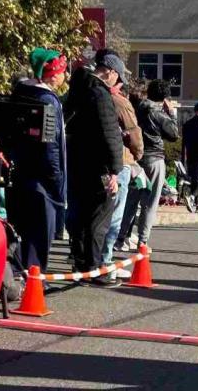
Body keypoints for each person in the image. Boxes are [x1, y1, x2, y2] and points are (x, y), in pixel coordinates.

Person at [63, 51, 125, 286]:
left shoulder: (77, 90)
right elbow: (110, 134)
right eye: (117, 77)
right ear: (109, 71)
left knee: (79, 215)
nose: (117, 83)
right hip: (98, 165)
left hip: (77, 162)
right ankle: (93, 267)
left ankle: (80, 263)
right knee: (99, 218)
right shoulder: (100, 94)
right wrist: (114, 170)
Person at [3, 48, 67, 274]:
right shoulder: (47, 100)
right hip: (43, 179)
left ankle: (19, 275)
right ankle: (33, 280)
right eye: (62, 72)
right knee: (40, 232)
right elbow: (51, 145)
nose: (64, 77)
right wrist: (57, 178)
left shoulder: (19, 93)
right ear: (53, 74)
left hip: (21, 172)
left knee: (23, 228)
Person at [102, 65, 144, 282]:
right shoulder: (119, 102)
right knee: (114, 213)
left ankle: (86, 259)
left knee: (97, 213)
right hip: (119, 162)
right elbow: (134, 133)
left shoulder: (88, 96)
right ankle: (105, 261)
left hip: (94, 163)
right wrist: (137, 155)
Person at [131, 79, 180, 248]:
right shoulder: (158, 113)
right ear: (165, 98)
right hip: (155, 160)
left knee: (132, 199)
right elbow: (173, 134)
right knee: (150, 203)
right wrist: (172, 114)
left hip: (137, 160)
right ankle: (143, 240)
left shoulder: (137, 108)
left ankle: (121, 236)